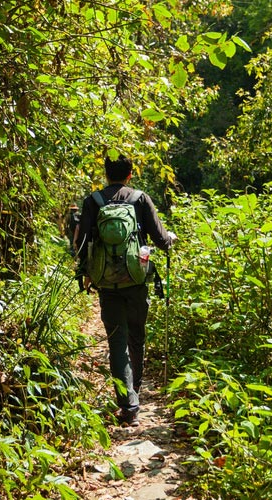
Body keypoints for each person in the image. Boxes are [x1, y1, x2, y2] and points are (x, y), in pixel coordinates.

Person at [75, 156, 176, 427]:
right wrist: (170, 240)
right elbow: (160, 239)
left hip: (106, 282)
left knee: (116, 341)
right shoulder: (141, 199)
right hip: (136, 279)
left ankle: (128, 403)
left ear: (106, 174)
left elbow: (82, 242)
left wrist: (84, 272)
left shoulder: (93, 201)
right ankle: (135, 393)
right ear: (130, 174)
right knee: (136, 336)